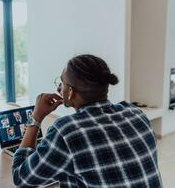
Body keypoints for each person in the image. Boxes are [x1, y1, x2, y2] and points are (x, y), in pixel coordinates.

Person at [12, 54, 162, 187]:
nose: (59, 87)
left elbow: (21, 178)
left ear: (70, 92)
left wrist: (36, 118)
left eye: (62, 83)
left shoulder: (67, 131)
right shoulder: (136, 113)